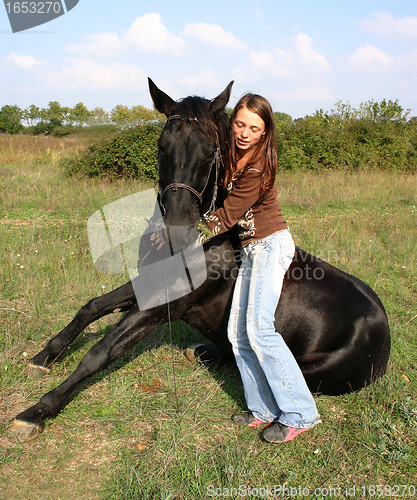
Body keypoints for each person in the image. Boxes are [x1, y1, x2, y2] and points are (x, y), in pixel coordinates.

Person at [201, 93, 321, 444]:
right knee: (238, 334)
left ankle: (301, 413)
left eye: (254, 128)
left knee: (259, 329)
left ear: (265, 131)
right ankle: (263, 409)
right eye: (239, 124)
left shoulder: (257, 166)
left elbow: (227, 216)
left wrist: (190, 227)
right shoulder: (231, 156)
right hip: (249, 251)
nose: (244, 133)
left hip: (270, 246)